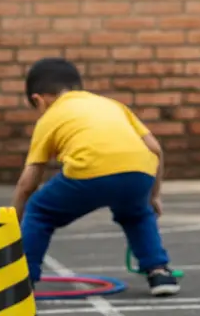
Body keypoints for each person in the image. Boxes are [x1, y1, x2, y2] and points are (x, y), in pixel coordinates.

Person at [10, 57, 179, 296]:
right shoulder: (111, 104)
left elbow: (29, 181)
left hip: (88, 172)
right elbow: (155, 149)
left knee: (40, 211)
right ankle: (159, 273)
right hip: (139, 171)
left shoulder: (50, 117)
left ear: (38, 100)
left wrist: (13, 218)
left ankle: (21, 279)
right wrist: (154, 195)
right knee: (137, 214)